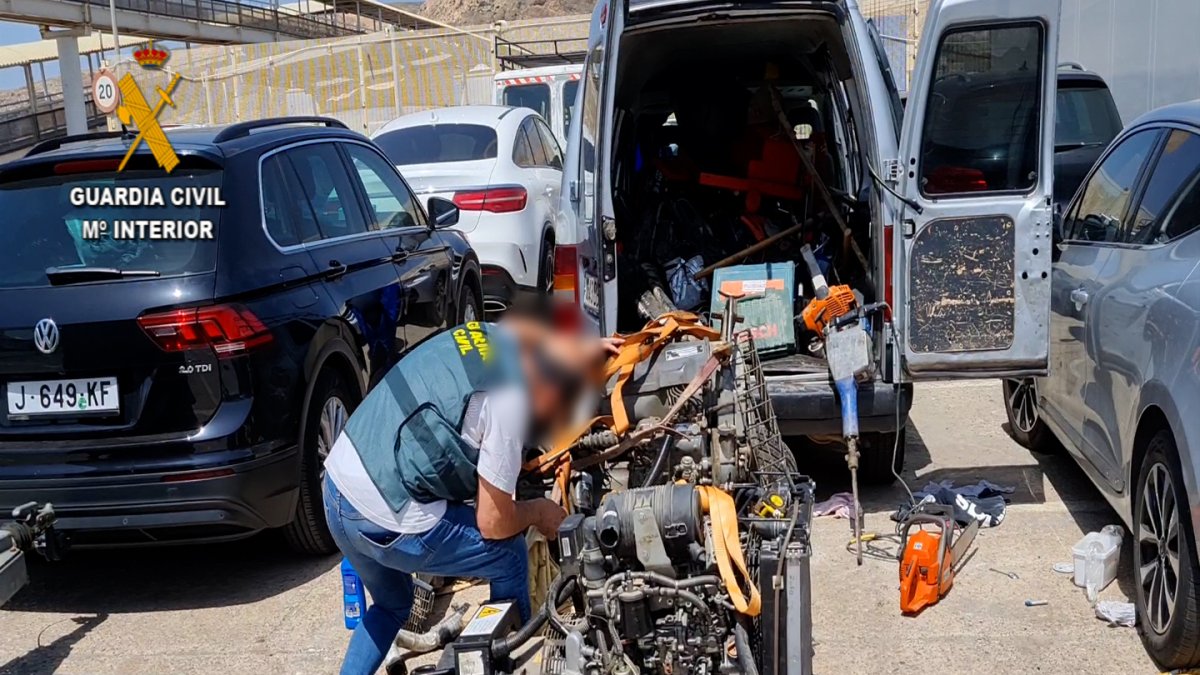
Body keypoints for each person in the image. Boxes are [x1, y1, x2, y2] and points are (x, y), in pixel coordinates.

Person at [322, 318, 619, 675]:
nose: (548, 427)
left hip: (337, 485)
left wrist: (579, 349)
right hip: (381, 514)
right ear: (551, 393)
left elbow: (528, 329)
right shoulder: (510, 403)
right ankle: (509, 662)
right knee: (508, 556)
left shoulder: (493, 336)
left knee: (393, 604)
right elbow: (493, 523)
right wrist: (539, 511)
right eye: (555, 415)